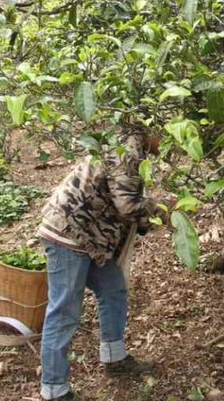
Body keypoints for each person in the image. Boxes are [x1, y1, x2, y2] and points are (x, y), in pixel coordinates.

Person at [38, 127, 160, 401]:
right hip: (69, 234)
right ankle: (54, 390)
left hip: (92, 237)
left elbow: (123, 202)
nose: (167, 145)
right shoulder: (128, 150)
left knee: (113, 290)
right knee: (64, 311)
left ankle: (115, 358)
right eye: (167, 137)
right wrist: (162, 209)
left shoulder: (134, 148)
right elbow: (128, 206)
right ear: (152, 129)